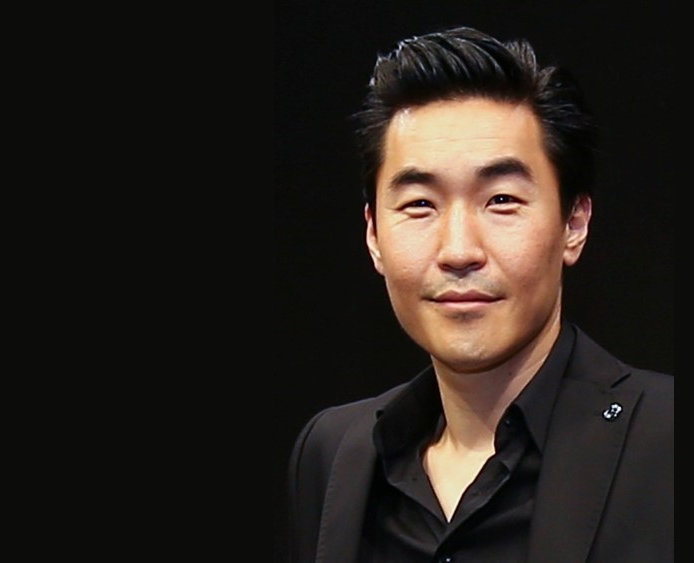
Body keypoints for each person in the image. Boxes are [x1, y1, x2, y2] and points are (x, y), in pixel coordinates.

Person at [287, 26, 673, 563]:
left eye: (501, 200)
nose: (459, 250)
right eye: (420, 204)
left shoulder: (663, 440)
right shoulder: (332, 453)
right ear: (373, 234)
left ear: (574, 223)